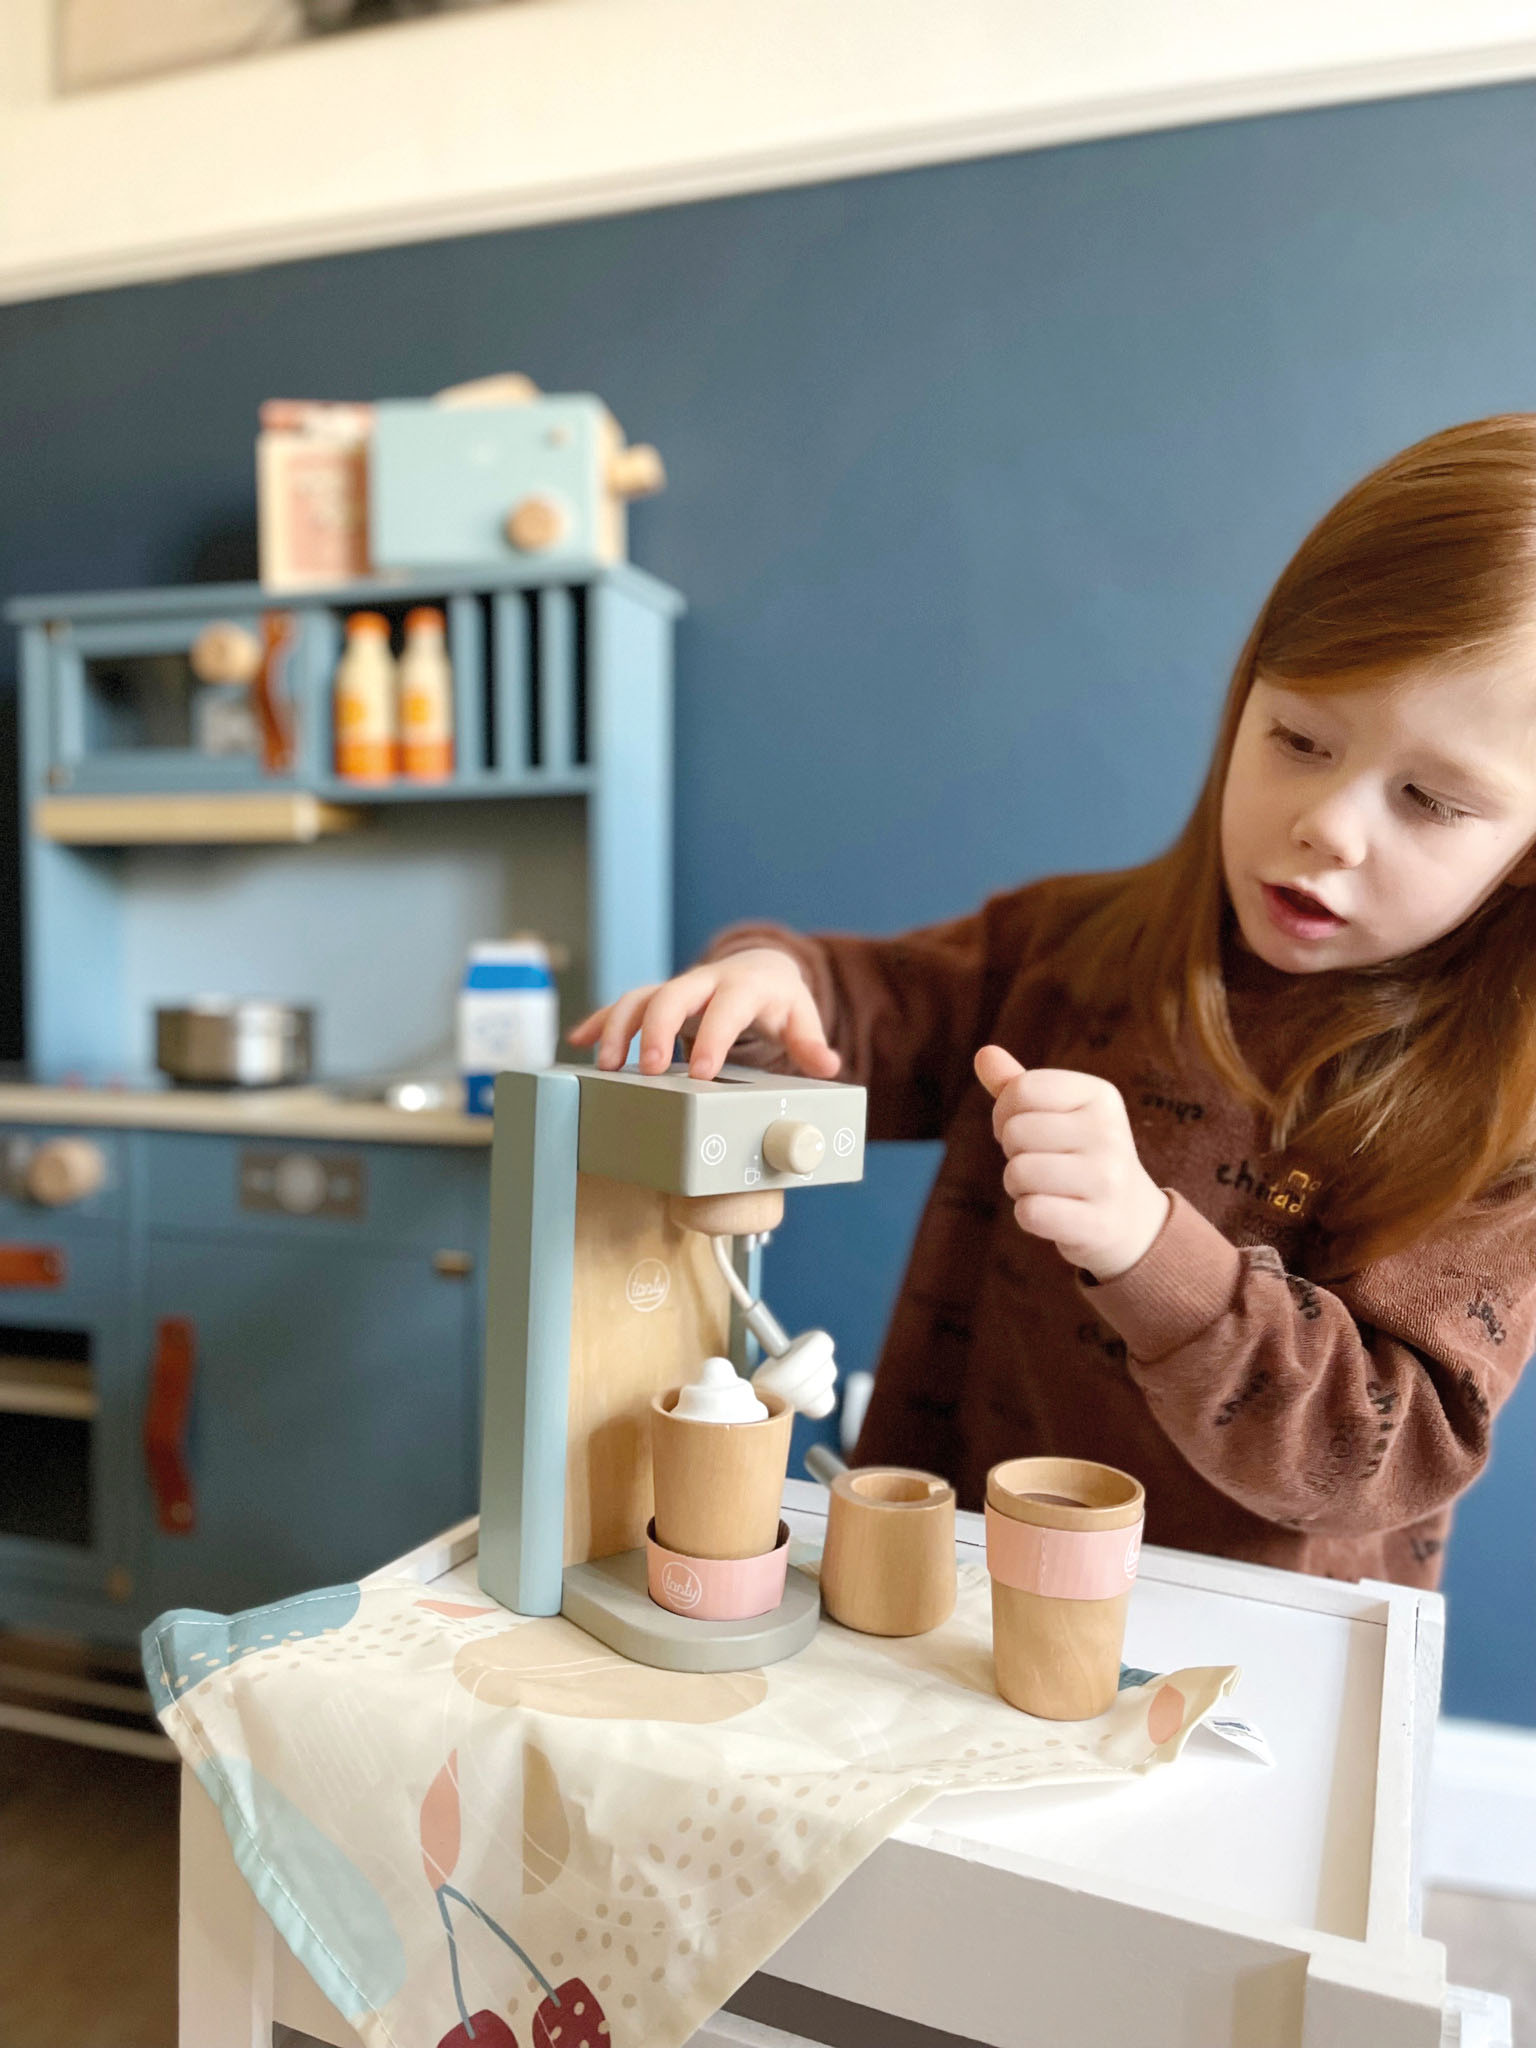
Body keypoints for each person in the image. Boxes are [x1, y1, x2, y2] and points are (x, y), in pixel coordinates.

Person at [571, 416, 1536, 1589]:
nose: (1328, 824)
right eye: (1297, 737)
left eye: (1431, 799)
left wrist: (1148, 1246)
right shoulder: (1067, 950)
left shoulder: (1502, 1117)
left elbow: (1377, 1447)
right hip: (952, 1586)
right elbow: (878, 1012)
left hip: (1244, 1668)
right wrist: (779, 983)